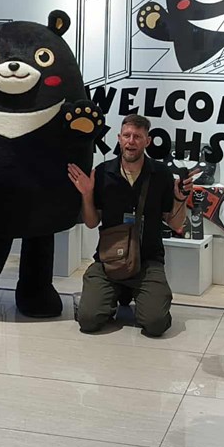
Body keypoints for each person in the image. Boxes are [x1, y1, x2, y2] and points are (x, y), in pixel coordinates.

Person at [70, 115, 192, 338]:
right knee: (88, 320)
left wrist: (180, 198)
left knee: (155, 324)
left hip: (148, 260)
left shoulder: (161, 174)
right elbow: (91, 222)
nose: (131, 141)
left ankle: (137, 297)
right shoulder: (103, 172)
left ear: (148, 141)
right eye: (127, 135)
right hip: (109, 260)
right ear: (119, 138)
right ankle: (108, 298)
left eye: (137, 136)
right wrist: (87, 195)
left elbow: (175, 223)